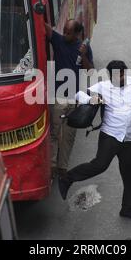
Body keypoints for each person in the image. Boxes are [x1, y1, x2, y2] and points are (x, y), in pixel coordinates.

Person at [58, 60, 131, 220]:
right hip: (110, 136)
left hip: (129, 138)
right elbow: (78, 94)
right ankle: (67, 178)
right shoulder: (103, 86)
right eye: (119, 75)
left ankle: (127, 209)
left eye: (124, 73)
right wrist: (94, 99)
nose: (123, 77)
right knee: (99, 165)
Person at [45, 19, 94, 179]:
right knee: (54, 132)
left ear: (77, 34)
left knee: (69, 134)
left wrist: (83, 54)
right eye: (64, 31)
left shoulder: (85, 48)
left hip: (74, 98)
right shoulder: (58, 40)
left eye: (68, 32)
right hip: (59, 97)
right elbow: (46, 28)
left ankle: (62, 168)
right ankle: (52, 165)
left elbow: (90, 71)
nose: (64, 34)